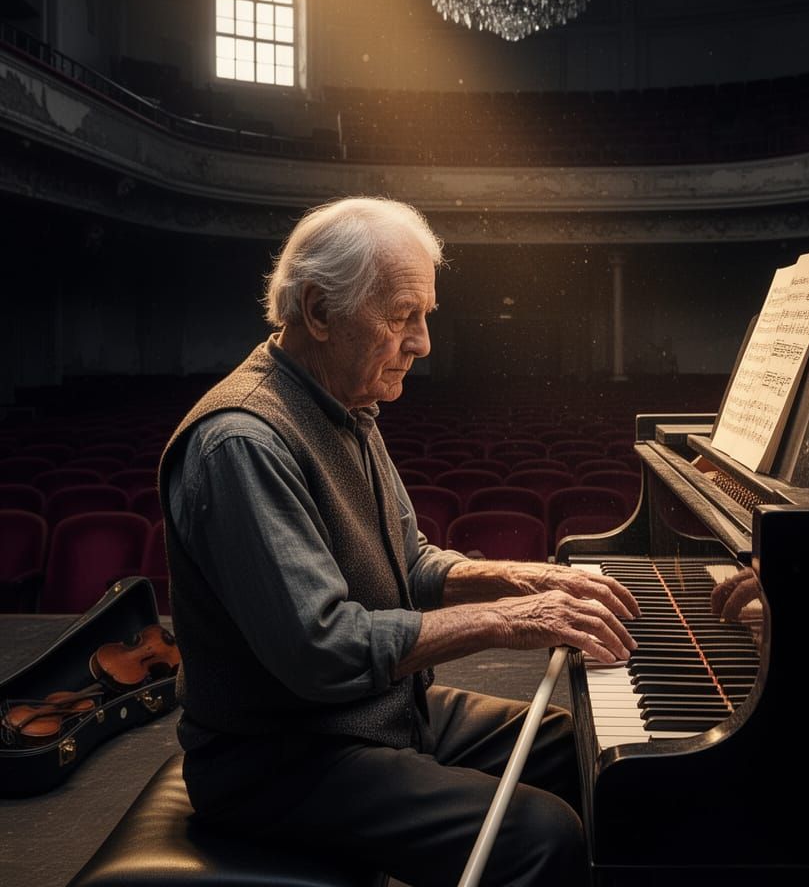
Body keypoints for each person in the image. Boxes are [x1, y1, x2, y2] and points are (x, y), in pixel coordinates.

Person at [158, 196, 641, 887]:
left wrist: (530, 581)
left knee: (585, 751)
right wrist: (507, 622)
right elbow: (319, 651)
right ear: (320, 312)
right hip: (282, 759)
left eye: (424, 316)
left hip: (372, 715)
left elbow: (409, 561)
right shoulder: (242, 441)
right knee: (541, 836)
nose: (422, 343)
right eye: (400, 317)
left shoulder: (347, 404)